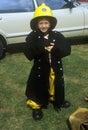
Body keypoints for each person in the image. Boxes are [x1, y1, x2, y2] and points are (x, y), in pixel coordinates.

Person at [24, 3, 71, 120]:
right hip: (40, 69)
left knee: (55, 83)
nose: (43, 26)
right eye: (41, 23)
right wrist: (42, 48)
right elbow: (28, 53)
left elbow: (67, 49)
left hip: (54, 67)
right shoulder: (32, 37)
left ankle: (56, 99)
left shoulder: (57, 35)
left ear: (50, 24)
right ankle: (36, 106)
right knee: (38, 86)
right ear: (36, 24)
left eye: (46, 23)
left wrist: (55, 48)